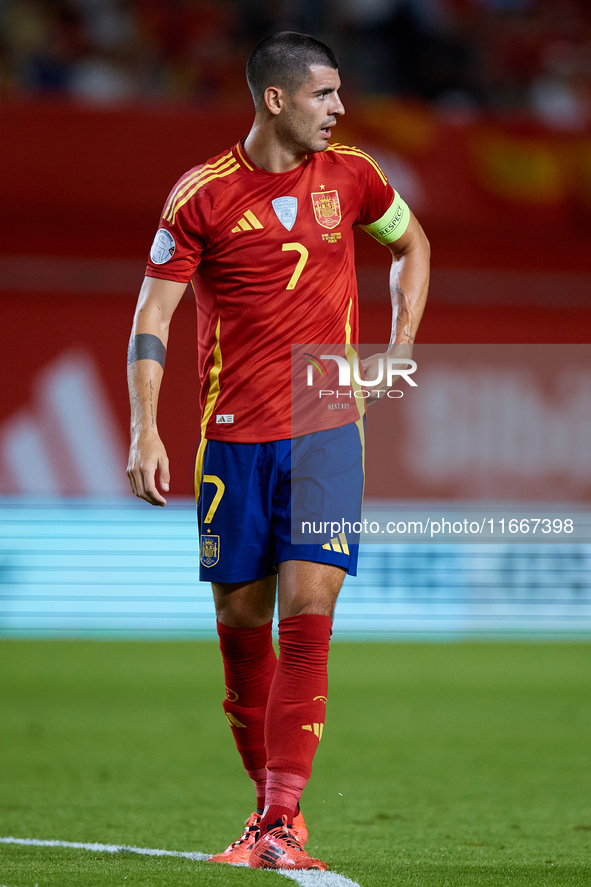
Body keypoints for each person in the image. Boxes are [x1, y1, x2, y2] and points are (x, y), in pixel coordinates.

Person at [127, 31, 429, 871]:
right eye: (325, 94)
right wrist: (143, 428)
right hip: (231, 439)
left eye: (339, 94)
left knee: (308, 611)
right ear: (275, 99)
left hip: (326, 419)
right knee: (239, 625)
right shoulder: (201, 197)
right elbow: (152, 319)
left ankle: (281, 818)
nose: (339, 109)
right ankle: (265, 816)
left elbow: (412, 246)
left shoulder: (355, 177)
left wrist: (400, 343)